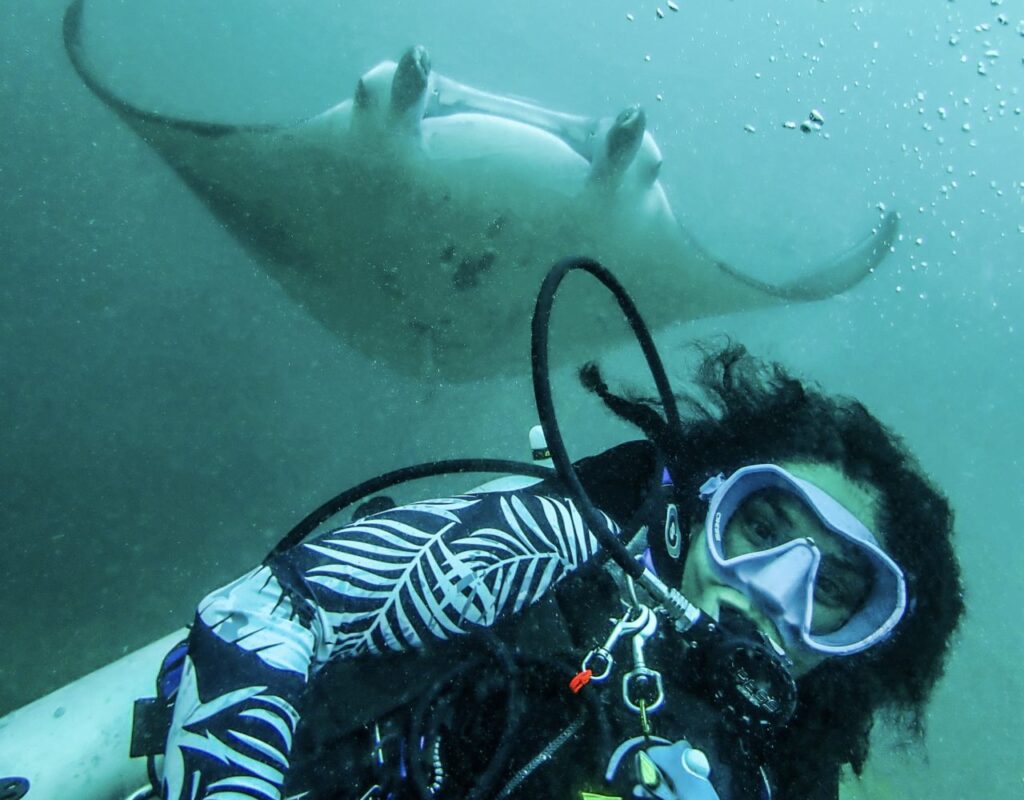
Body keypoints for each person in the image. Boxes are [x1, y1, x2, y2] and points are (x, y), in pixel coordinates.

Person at [154, 343, 963, 800]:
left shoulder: (790, 779)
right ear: (701, 507)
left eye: (839, 592)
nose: (776, 592)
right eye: (759, 525)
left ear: (862, 643)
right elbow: (263, 612)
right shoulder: (553, 548)